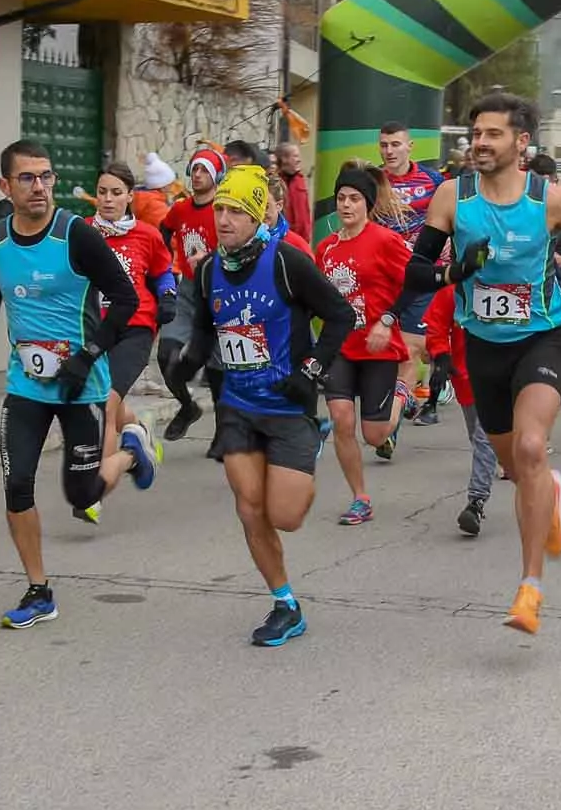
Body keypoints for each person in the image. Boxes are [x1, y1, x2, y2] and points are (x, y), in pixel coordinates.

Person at [397, 93, 561, 634]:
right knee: (515, 465)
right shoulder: (454, 198)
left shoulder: (553, 200)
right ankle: (551, 492)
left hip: (541, 340)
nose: (479, 142)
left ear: (522, 142)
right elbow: (415, 271)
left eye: (493, 134)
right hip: (484, 346)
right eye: (476, 133)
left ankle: (529, 590)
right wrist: (455, 274)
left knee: (529, 447)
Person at [0, 140, 152, 630]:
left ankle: (130, 449)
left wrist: (86, 357)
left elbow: (126, 301)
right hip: (26, 385)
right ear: (5, 186)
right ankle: (38, 590)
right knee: (16, 483)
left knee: (81, 493)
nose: (39, 187)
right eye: (27, 178)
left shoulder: (77, 236)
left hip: (80, 386)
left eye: (46, 177)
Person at [166, 166, 355, 646]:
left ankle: (311, 446)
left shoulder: (287, 262)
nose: (224, 219)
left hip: (288, 406)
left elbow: (339, 316)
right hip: (238, 405)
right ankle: (285, 604)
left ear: (256, 217)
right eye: (220, 210)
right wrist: (189, 359)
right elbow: (210, 326)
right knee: (250, 510)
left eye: (236, 211)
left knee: (285, 516)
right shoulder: (208, 269)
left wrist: (310, 372)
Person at [314, 164, 414, 524]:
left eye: (354, 199)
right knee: (342, 419)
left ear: (367, 205)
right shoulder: (325, 249)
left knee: (374, 435)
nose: (346, 205)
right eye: (341, 198)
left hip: (377, 349)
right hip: (341, 347)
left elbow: (416, 280)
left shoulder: (385, 241)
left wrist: (387, 320)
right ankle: (360, 498)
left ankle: (403, 389)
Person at [89, 162, 177, 448]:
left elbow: (163, 271)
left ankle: (99, 477)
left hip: (135, 328)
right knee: (98, 400)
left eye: (116, 192)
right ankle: (140, 432)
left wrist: (167, 296)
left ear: (129, 197)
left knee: (107, 399)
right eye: (102, 192)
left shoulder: (146, 234)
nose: (108, 199)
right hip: (94, 327)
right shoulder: (82, 231)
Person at [377, 121, 446, 420]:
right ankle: (400, 398)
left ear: (410, 146)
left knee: (413, 347)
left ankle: (403, 408)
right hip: (385, 275)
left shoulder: (433, 180)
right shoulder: (374, 181)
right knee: (389, 349)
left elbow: (450, 218)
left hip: (422, 274)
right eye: (384, 145)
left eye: (395, 144)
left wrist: (447, 246)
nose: (390, 151)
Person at [156, 148, 225, 440]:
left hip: (218, 292)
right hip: (186, 290)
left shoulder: (223, 209)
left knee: (218, 369)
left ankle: (225, 433)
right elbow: (163, 231)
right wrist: (162, 266)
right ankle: (187, 406)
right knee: (165, 355)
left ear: (216, 177)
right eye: (195, 169)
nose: (197, 175)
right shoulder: (181, 208)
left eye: (204, 171)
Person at [422, 284, 498, 537]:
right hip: (465, 378)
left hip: (502, 375)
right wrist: (441, 357)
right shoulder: (455, 289)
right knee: (478, 440)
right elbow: (436, 325)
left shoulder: (514, 279)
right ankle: (505, 460)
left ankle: (475, 503)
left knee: (483, 437)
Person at [272, 141, 312, 240]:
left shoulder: (298, 181)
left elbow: (303, 217)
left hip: (297, 240)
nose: (299, 160)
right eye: (295, 156)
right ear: (284, 159)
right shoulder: (274, 183)